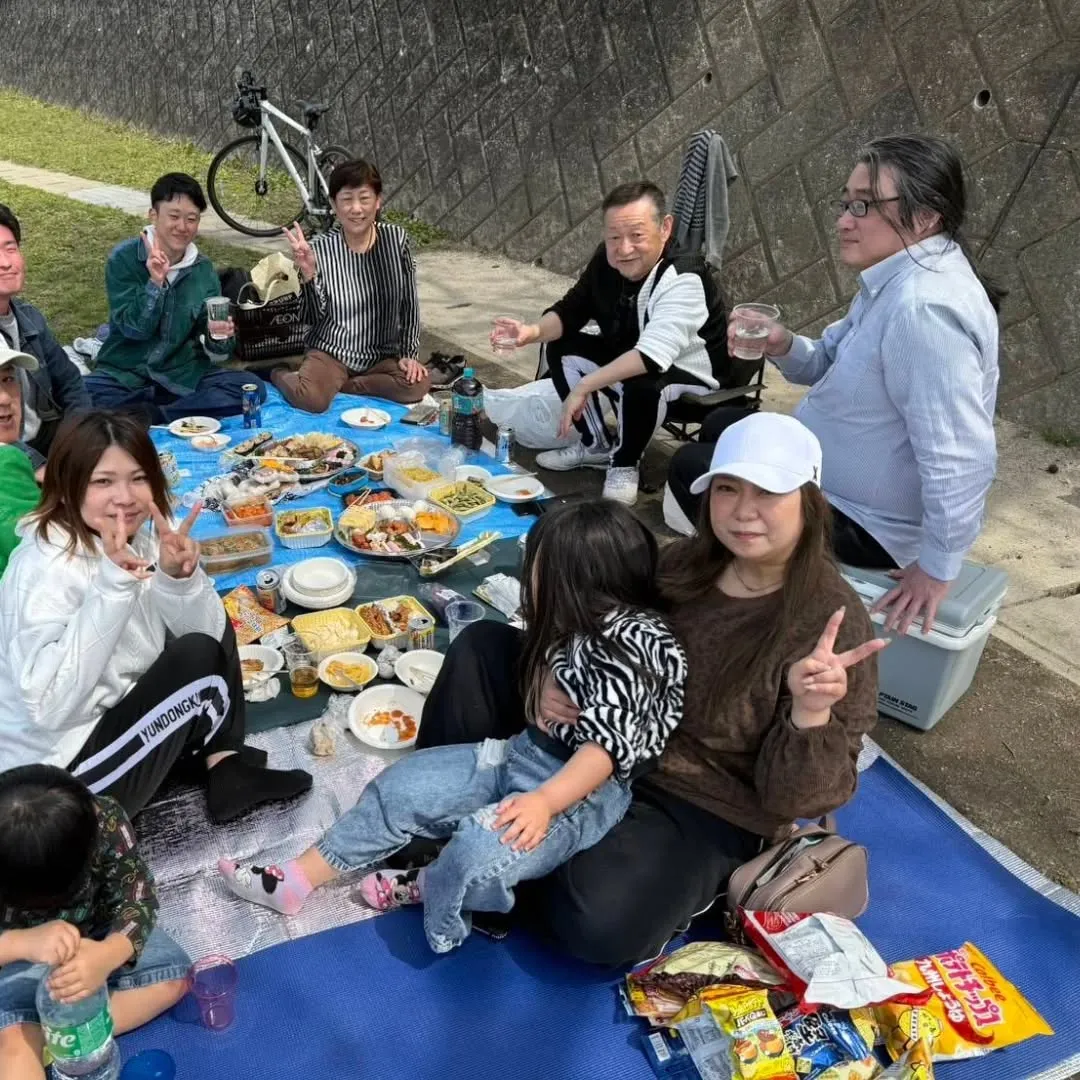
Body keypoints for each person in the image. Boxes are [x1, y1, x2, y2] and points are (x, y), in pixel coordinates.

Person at [411, 412, 884, 968]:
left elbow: (798, 801)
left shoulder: (832, 623)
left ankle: (502, 848)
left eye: (768, 493)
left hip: (701, 799)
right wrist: (543, 671)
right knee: (484, 647)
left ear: (809, 501)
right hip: (602, 732)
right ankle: (447, 829)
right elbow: (580, 615)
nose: (743, 510)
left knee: (596, 925)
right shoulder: (683, 563)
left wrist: (810, 712)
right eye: (728, 489)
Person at [218, 501, 688, 954]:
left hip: (577, 794)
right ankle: (296, 879)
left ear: (579, 578)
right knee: (402, 785)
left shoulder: (637, 637)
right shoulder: (580, 620)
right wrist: (546, 676)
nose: (531, 577)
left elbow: (604, 751)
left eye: (539, 567)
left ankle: (428, 889)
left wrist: (544, 802)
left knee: (479, 851)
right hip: (523, 753)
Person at [666, 135, 1001, 634]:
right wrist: (781, 344)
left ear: (926, 216)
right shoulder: (895, 278)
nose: (845, 220)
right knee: (723, 422)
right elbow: (827, 361)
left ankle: (756, 591)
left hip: (867, 523)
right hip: (839, 476)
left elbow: (962, 457)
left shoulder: (923, 311)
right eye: (845, 203)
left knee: (697, 465)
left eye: (864, 205)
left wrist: (935, 569)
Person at [0, 410, 312, 822]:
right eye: (102, 482)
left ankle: (226, 766)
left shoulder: (140, 536)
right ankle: (214, 763)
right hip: (59, 783)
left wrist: (178, 579)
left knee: (210, 623)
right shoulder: (46, 564)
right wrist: (113, 587)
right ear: (66, 485)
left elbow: (212, 637)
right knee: (194, 655)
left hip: (111, 718)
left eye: (138, 478)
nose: (125, 497)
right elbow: (48, 708)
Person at [491, 180, 732, 507]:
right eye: (614, 237)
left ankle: (625, 464)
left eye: (637, 235)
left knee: (643, 380)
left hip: (691, 374)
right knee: (561, 346)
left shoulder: (683, 277)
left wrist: (585, 385)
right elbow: (572, 309)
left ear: (665, 228)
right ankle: (596, 444)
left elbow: (650, 357)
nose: (624, 248)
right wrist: (530, 333)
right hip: (632, 352)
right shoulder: (607, 262)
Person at [0, 765, 190, 1080]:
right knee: (12, 1046)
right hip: (18, 964)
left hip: (99, 938)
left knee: (176, 977)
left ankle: (58, 1035)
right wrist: (21, 943)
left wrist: (108, 954)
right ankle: (32, 1034)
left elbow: (137, 894)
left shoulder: (100, 818)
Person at [86, 173, 266, 424]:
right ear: (153, 215)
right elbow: (133, 329)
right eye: (174, 216)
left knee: (250, 387)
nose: (182, 227)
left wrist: (219, 334)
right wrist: (155, 284)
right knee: (83, 395)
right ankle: (167, 412)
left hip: (182, 375)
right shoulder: (125, 259)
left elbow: (220, 349)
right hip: (126, 373)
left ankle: (154, 415)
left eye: (191, 219)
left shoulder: (202, 270)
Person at [273, 159, 428, 412]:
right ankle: (280, 374)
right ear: (334, 205)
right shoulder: (319, 248)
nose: (356, 209)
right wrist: (309, 275)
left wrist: (410, 354)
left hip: (380, 355)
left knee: (417, 384)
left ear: (378, 201)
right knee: (310, 400)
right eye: (347, 199)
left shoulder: (396, 239)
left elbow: (409, 302)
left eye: (364, 198)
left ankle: (344, 386)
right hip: (331, 352)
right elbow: (311, 317)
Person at [0, 204, 91, 458]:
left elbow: (71, 382)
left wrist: (75, 440)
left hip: (49, 438)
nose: (6, 263)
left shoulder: (30, 319)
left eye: (11, 248)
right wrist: (39, 467)